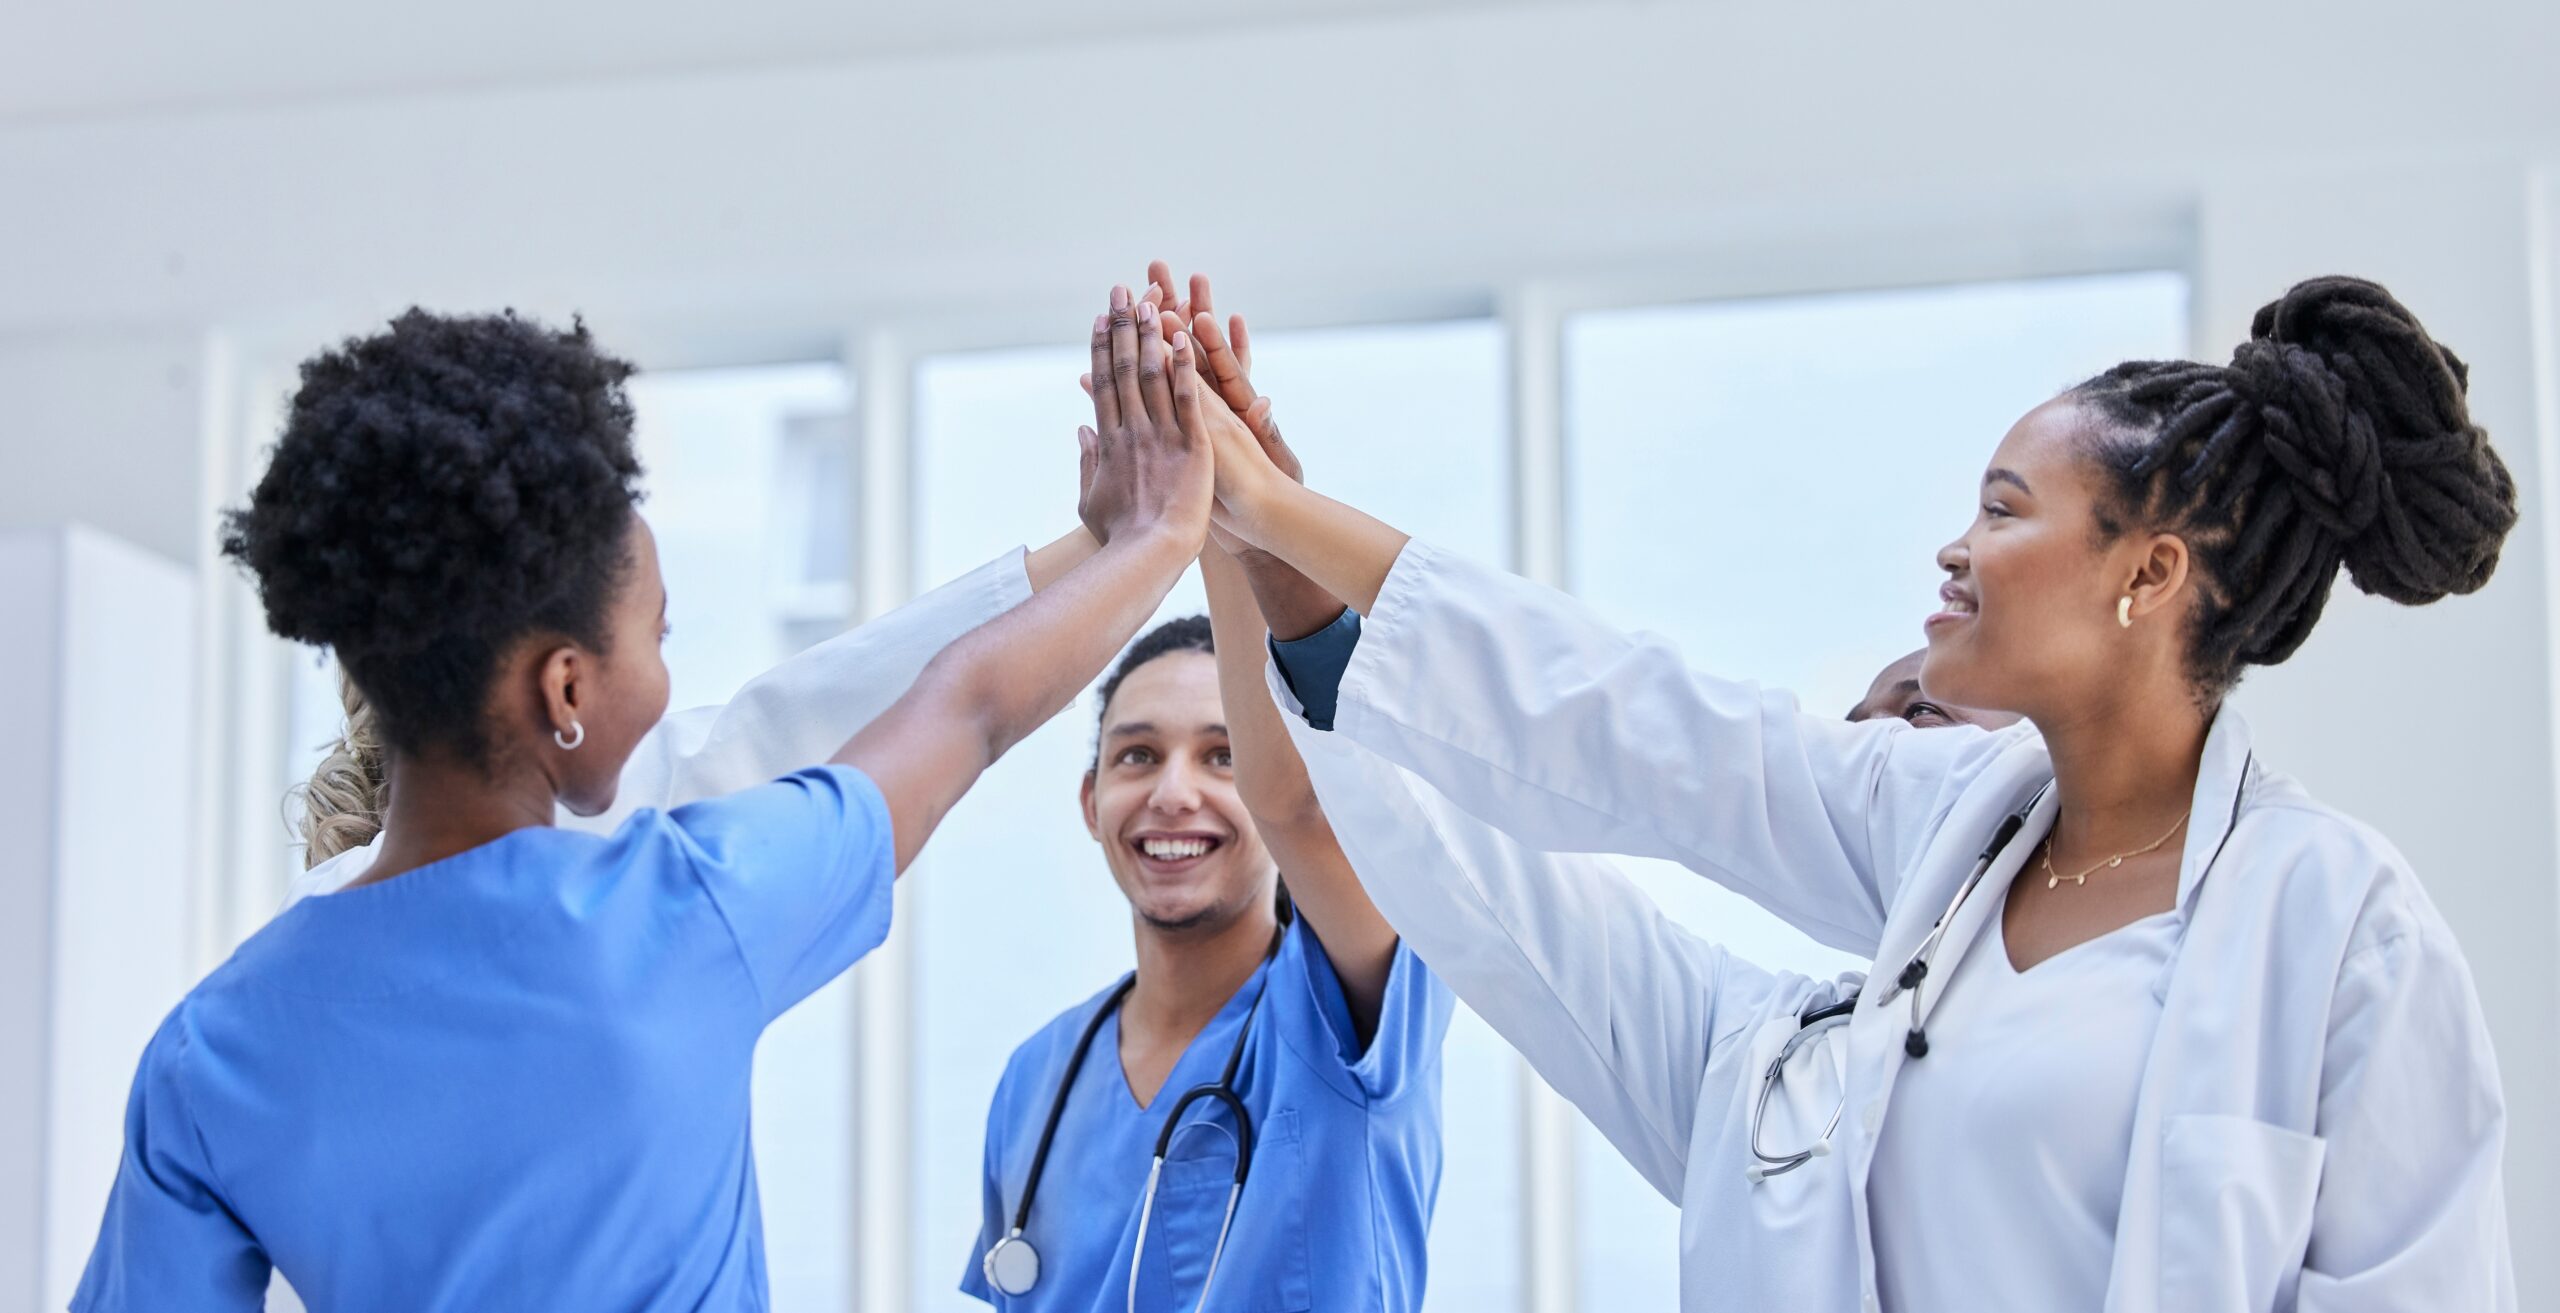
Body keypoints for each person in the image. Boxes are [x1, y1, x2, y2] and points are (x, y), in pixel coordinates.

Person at [1196, 274, 2517, 1310]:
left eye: (2004, 510)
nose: (1954, 549)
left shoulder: (2341, 927)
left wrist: (1268, 513)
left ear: (2152, 573)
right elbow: (1644, 724)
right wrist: (1264, 518)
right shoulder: (1936, 838)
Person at [74, 293, 1216, 1311]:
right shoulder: (690, 909)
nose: (670, 684)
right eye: (656, 637)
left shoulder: (210, 1049)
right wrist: (1156, 532)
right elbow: (961, 708)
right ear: (566, 688)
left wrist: (1100, 539)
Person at [961, 268, 1453, 1313]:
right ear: (1089, 795)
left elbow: (1308, 805)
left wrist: (1229, 521)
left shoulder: (1350, 1008)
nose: (1173, 791)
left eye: (1223, 755)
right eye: (1137, 755)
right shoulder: (1038, 1078)